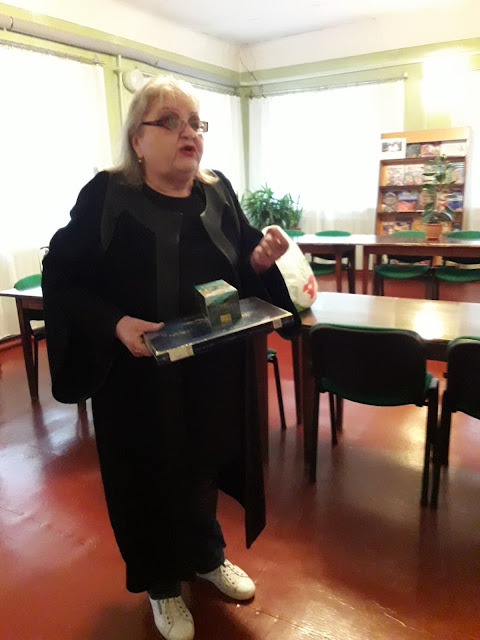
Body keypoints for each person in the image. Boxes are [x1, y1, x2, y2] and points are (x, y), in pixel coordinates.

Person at [42, 75, 298, 640]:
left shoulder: (218, 191)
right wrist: (114, 323)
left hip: (212, 369)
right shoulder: (108, 196)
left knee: (203, 462)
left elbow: (242, 261)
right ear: (138, 140)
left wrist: (260, 261)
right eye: (171, 121)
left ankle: (206, 556)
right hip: (138, 377)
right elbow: (62, 276)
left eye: (196, 123)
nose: (190, 133)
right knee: (147, 477)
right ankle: (161, 583)